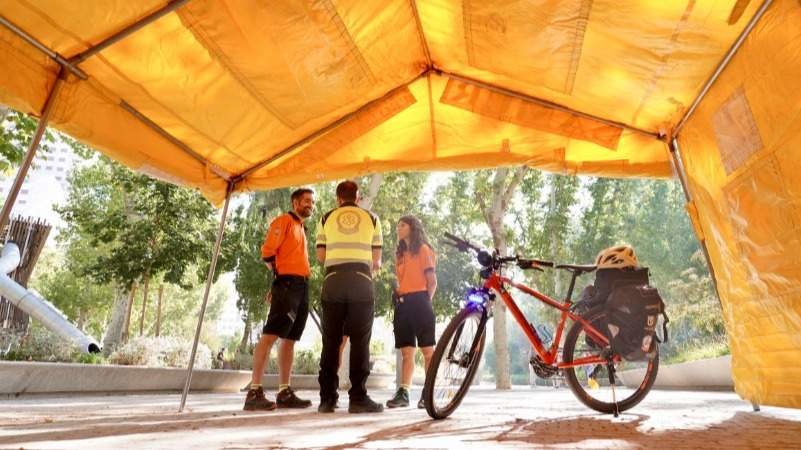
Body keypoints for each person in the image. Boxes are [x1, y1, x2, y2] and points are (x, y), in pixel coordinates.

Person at [243, 188, 315, 411]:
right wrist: (279, 281)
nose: (310, 205)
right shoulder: (283, 221)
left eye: (312, 202)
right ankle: (254, 391)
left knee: (290, 339)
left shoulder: (301, 227)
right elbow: (267, 253)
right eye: (306, 201)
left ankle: (284, 391)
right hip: (287, 284)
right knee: (269, 336)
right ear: (295, 202)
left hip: (302, 285)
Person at [316, 180, 384, 414]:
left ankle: (327, 399)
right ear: (358, 197)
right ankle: (358, 398)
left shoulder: (325, 218)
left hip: (333, 281)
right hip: (361, 282)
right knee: (360, 342)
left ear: (337, 199)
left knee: (331, 342)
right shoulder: (372, 218)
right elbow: (376, 261)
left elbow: (321, 256)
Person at [385, 215, 437, 409]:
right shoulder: (400, 254)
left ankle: (428, 392)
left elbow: (432, 282)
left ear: (413, 228)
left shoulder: (424, 250)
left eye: (402, 225)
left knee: (428, 352)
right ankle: (403, 393)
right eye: (397, 225)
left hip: (420, 301)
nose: (398, 228)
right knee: (407, 352)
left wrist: (423, 303)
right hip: (403, 303)